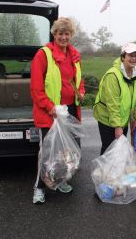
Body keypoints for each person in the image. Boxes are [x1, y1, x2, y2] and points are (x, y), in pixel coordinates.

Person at [31, 17, 85, 204]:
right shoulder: (43, 55)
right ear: (54, 34)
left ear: (71, 35)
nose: (63, 37)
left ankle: (61, 180)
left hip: (69, 111)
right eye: (60, 33)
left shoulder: (74, 55)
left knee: (66, 151)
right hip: (50, 112)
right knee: (47, 153)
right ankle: (39, 188)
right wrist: (50, 107)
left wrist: (81, 92)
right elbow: (36, 89)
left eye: (67, 33)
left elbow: (79, 80)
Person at [93, 43, 136, 155]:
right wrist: (117, 126)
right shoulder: (113, 75)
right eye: (130, 55)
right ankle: (104, 171)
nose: (134, 58)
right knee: (109, 149)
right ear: (123, 57)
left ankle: (116, 172)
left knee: (119, 149)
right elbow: (113, 104)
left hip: (123, 118)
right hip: (106, 118)